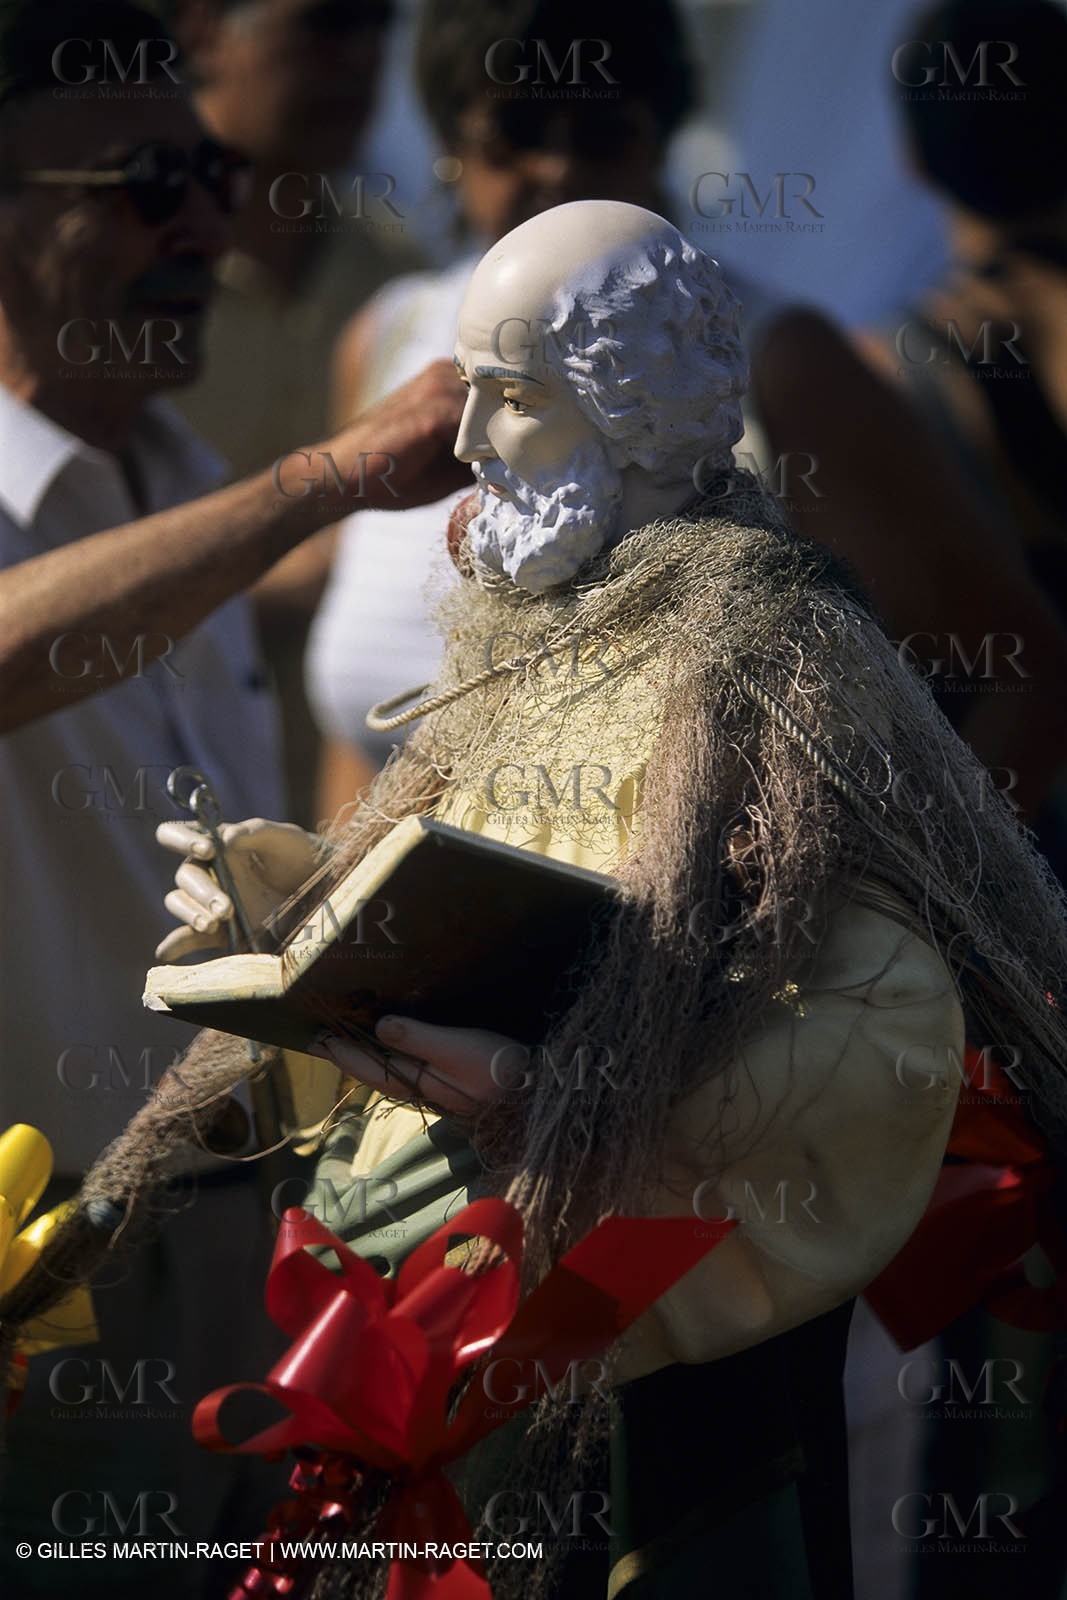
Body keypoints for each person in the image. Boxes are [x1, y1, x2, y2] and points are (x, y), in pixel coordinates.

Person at [119, 201, 1067, 1597]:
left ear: (626, 410)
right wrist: (290, 908)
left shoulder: (775, 655)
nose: (461, 443)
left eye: (507, 398)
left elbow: (882, 1034)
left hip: (654, 1398)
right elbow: (465, 892)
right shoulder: (540, 630)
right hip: (444, 1331)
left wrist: (559, 1097)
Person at [0, 2, 463, 1593]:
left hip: (220, 1267)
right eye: (142, 183)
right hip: (29, 1287)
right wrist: (325, 476)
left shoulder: (187, 479)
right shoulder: (241, 495)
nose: (207, 217)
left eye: (208, 171)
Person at [306, 0, 697, 815]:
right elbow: (358, 722)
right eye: (515, 129)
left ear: (660, 142)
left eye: (600, 133)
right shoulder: (389, 329)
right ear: (451, 146)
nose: (557, 169)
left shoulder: (773, 351)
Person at [165, 0, 423, 826]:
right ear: (204, 30)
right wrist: (325, 560)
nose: (361, 59)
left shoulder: (396, 275)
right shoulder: (110, 267)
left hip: (327, 812)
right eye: (326, 25)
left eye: (381, 26)